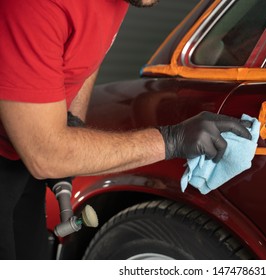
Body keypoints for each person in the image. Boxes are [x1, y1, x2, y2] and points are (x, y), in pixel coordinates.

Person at [0, 0, 251, 259]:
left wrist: (72, 120)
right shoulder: (33, 7)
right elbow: (46, 154)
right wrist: (170, 140)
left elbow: (86, 58)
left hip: (20, 157)